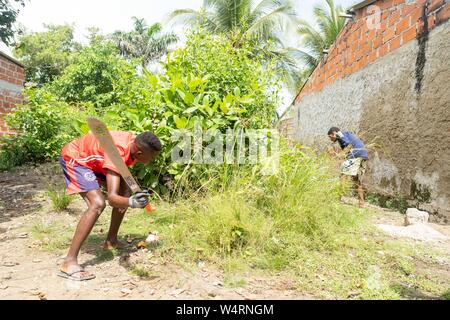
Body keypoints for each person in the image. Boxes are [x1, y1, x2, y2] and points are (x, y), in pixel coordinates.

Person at [58, 130, 161, 281]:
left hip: (96, 161)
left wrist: (133, 193)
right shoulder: (117, 153)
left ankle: (111, 241)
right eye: (152, 156)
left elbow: (124, 180)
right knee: (97, 203)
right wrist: (132, 202)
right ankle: (69, 261)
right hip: (76, 158)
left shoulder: (134, 144)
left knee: (125, 191)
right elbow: (112, 199)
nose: (153, 160)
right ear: (140, 153)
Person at [327, 127, 368, 208]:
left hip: (356, 154)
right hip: (363, 154)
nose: (331, 140)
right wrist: (337, 155)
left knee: (343, 176)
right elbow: (347, 152)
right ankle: (361, 203)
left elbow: (348, 146)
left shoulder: (340, 135)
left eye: (330, 137)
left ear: (334, 133)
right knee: (356, 180)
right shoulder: (346, 136)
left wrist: (337, 155)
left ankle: (337, 199)